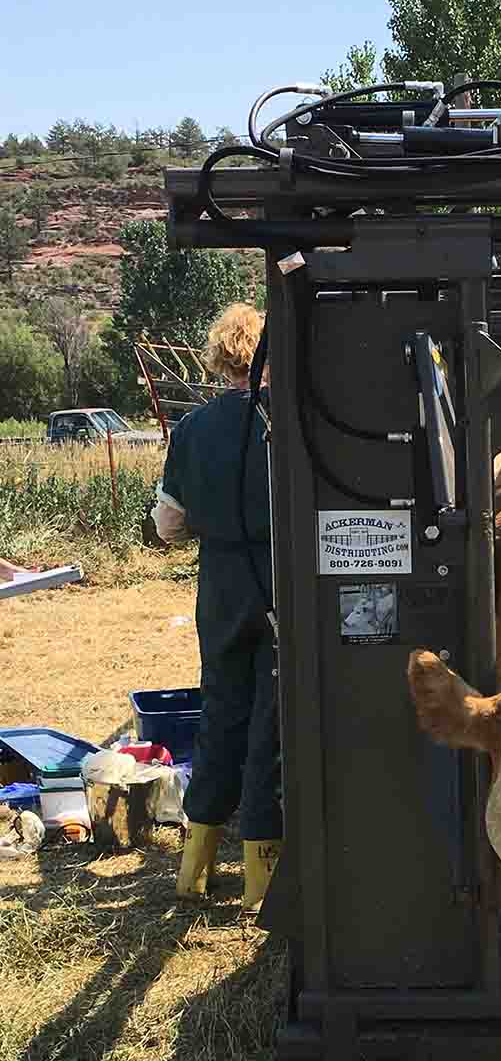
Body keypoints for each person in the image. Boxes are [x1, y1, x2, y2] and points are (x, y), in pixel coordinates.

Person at [152, 303, 281, 913]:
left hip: (221, 588)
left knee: (221, 714)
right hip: (280, 588)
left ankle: (194, 865)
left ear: (218, 357)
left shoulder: (192, 429)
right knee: (271, 730)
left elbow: (168, 524)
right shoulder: (283, 421)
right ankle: (261, 879)